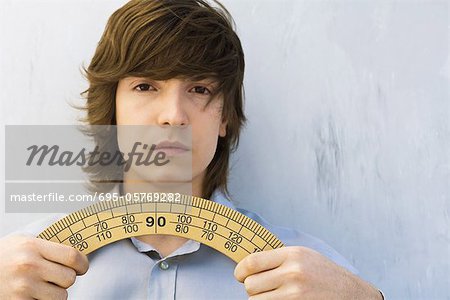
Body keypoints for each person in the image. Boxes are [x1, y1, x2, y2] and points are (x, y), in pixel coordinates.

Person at [0, 0, 384, 299]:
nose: (173, 116)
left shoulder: (309, 273)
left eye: (199, 90)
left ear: (224, 119)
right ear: (111, 112)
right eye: (146, 86)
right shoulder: (22, 267)